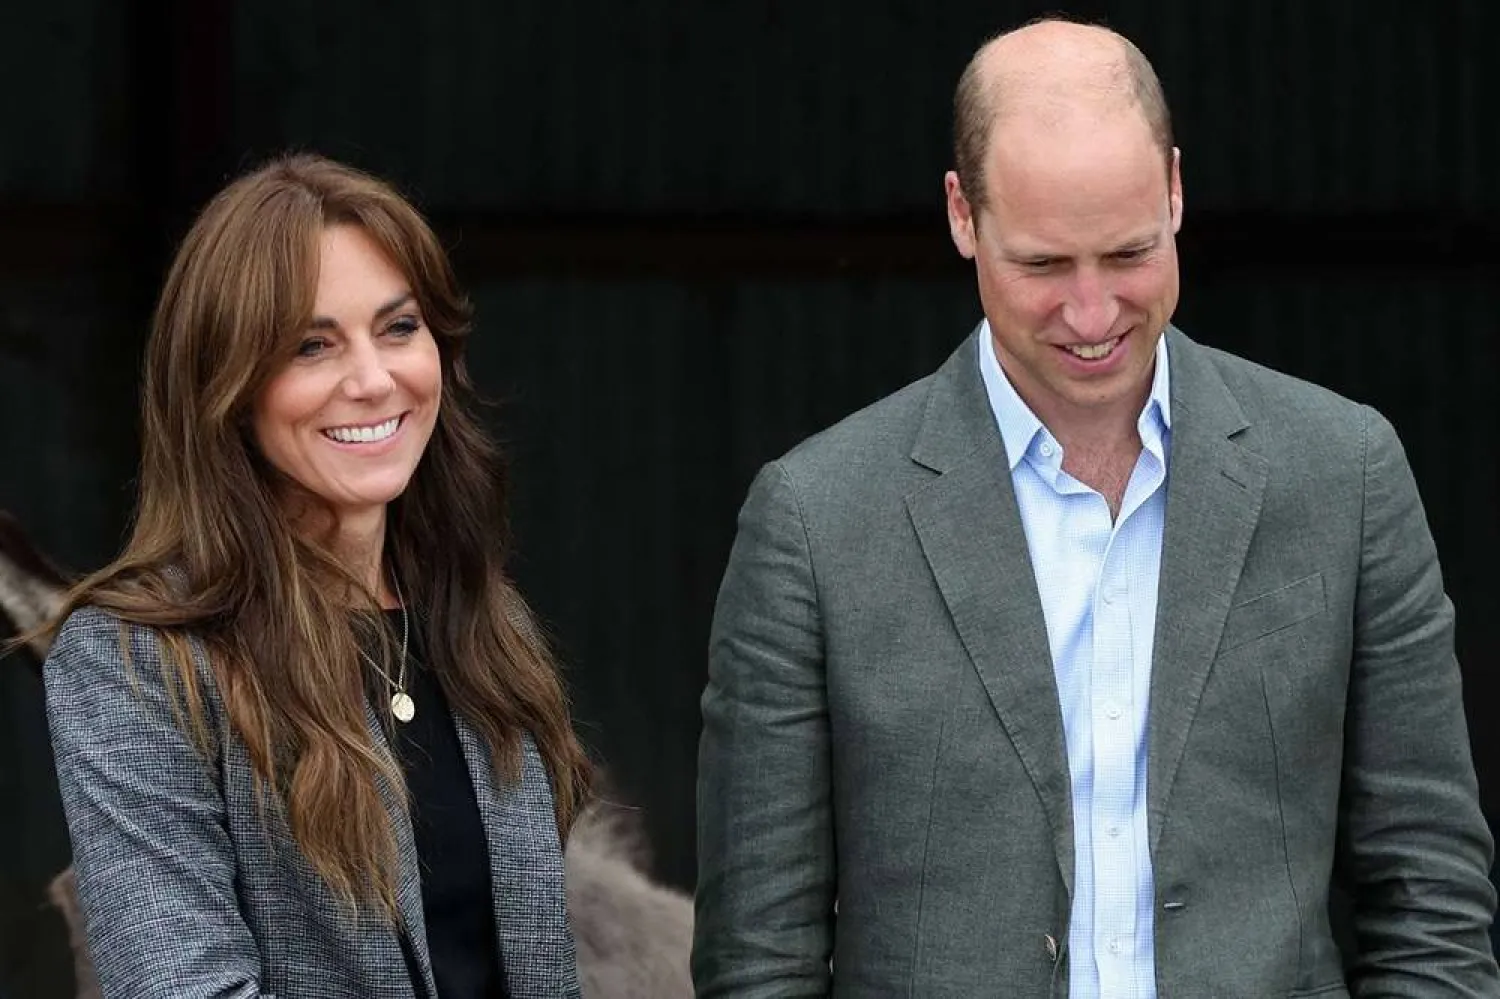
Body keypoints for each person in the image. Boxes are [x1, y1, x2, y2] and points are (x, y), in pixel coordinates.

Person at [694, 17, 1498, 997]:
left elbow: (1434, 905)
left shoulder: (1345, 474)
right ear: (961, 215)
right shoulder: (816, 519)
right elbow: (759, 960)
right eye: (1041, 265)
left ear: (1174, 190)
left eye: (1128, 255)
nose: (1089, 314)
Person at [43, 153, 591, 998]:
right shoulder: (136, 662)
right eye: (311, 345)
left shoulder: (486, 622)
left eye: (399, 327)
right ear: (226, 387)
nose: (373, 381)